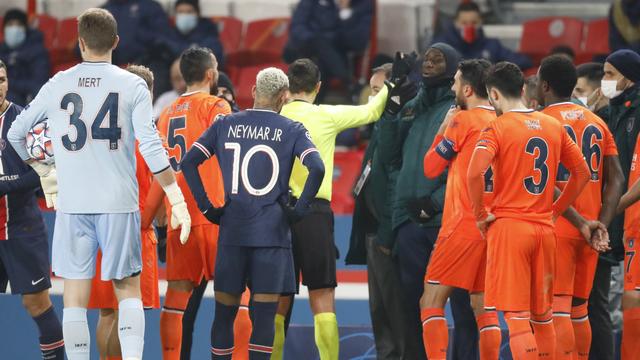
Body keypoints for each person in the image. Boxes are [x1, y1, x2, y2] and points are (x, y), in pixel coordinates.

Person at [7, 8, 192, 360]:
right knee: (128, 291)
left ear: (80, 43)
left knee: (75, 298)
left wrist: (44, 170)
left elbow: (17, 132)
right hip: (118, 202)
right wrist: (176, 196)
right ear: (116, 42)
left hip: (74, 202)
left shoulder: (59, 82)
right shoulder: (132, 84)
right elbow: (151, 146)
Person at [273, 57, 415, 360]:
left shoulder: (275, 116)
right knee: (322, 295)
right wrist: (393, 82)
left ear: (288, 88)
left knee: (277, 298)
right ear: (318, 87)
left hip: (277, 213)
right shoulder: (327, 115)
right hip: (314, 213)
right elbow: (372, 110)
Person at [180, 67, 325, 360]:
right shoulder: (292, 129)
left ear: (255, 91)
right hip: (271, 235)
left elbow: (189, 162)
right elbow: (317, 167)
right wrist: (299, 210)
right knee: (263, 318)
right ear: (284, 97)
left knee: (223, 316)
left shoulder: (225, 123)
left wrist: (207, 207)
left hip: (233, 232)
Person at [466, 61, 591, 359]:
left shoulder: (496, 127)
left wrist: (481, 216)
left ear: (493, 95)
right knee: (543, 317)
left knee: (518, 321)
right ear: (523, 89)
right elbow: (582, 173)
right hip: (545, 230)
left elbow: (473, 174)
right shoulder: (551, 124)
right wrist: (557, 211)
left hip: (510, 229)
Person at [147, 47, 249, 360]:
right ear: (209, 74)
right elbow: (234, 150)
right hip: (216, 211)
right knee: (240, 296)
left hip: (181, 217)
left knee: (176, 300)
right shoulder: (216, 105)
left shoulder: (166, 112)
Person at [378, 43, 478, 360]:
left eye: (438, 59)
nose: (430, 63)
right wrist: (393, 101)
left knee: (463, 306)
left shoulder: (461, 109)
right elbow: (390, 157)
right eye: (428, 58)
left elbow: (469, 167)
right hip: (410, 223)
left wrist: (435, 202)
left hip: (450, 221)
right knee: (413, 304)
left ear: (452, 69)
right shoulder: (412, 105)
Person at [536, 55, 624, 360]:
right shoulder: (598, 122)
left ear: (544, 85)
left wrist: (577, 220)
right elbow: (617, 179)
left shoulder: (540, 123)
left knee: (556, 307)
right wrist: (600, 222)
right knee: (580, 308)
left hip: (557, 225)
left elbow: (544, 182)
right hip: (590, 230)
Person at [419, 59, 500, 360]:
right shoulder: (502, 120)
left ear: (467, 88)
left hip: (462, 223)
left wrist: (441, 129)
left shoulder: (461, 121)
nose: (452, 87)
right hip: (493, 225)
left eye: (454, 82)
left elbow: (430, 168)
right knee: (483, 306)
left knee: (430, 301)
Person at [86, 64, 161, 360]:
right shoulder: (149, 140)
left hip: (103, 231)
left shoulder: (101, 137)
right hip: (135, 233)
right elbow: (157, 193)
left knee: (107, 313)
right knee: (127, 314)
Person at [345, 63, 412, 359]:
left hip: (390, 234)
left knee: (397, 314)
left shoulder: (401, 127)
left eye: (376, 91)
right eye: (369, 91)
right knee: (379, 312)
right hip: (373, 232)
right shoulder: (376, 129)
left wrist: (388, 231)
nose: (370, 98)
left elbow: (396, 183)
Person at [0, 60, 65, 359]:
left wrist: (4, 185)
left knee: (36, 304)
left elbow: (43, 172)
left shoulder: (26, 121)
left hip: (22, 227)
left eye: (1, 79)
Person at [597, 49, 640, 360]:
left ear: (630, 77)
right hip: (613, 222)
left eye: (610, 74)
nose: (605, 80)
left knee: (630, 303)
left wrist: (611, 209)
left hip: (628, 218)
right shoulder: (608, 113)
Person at [283, 0, 374, 100]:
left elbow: (353, 42)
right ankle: (349, 83)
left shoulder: (352, 7)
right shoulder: (309, 3)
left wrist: (344, 13)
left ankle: (315, 103)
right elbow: (297, 28)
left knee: (321, 65)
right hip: (302, 47)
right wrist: (314, 39)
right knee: (319, 43)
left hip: (326, 54)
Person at [431, 2, 532, 70]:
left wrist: (495, 69)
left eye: (474, 22)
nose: (469, 27)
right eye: (464, 23)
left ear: (481, 22)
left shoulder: (491, 45)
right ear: (455, 23)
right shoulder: (441, 47)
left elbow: (523, 61)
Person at [102, 0, 172, 96]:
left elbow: (164, 38)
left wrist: (141, 35)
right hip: (111, 62)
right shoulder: (104, 10)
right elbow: (89, 40)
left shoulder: (150, 6)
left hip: (147, 62)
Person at [0, 9, 50, 106]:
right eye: (10, 25)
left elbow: (38, 85)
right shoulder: (2, 50)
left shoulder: (37, 51)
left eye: (19, 25)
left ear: (25, 29)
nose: (14, 29)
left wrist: (9, 83)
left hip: (23, 103)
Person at [164, 0, 224, 69]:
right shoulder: (170, 35)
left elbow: (215, 58)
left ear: (198, 14)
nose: (184, 16)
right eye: (180, 12)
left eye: (189, 12)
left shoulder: (208, 32)